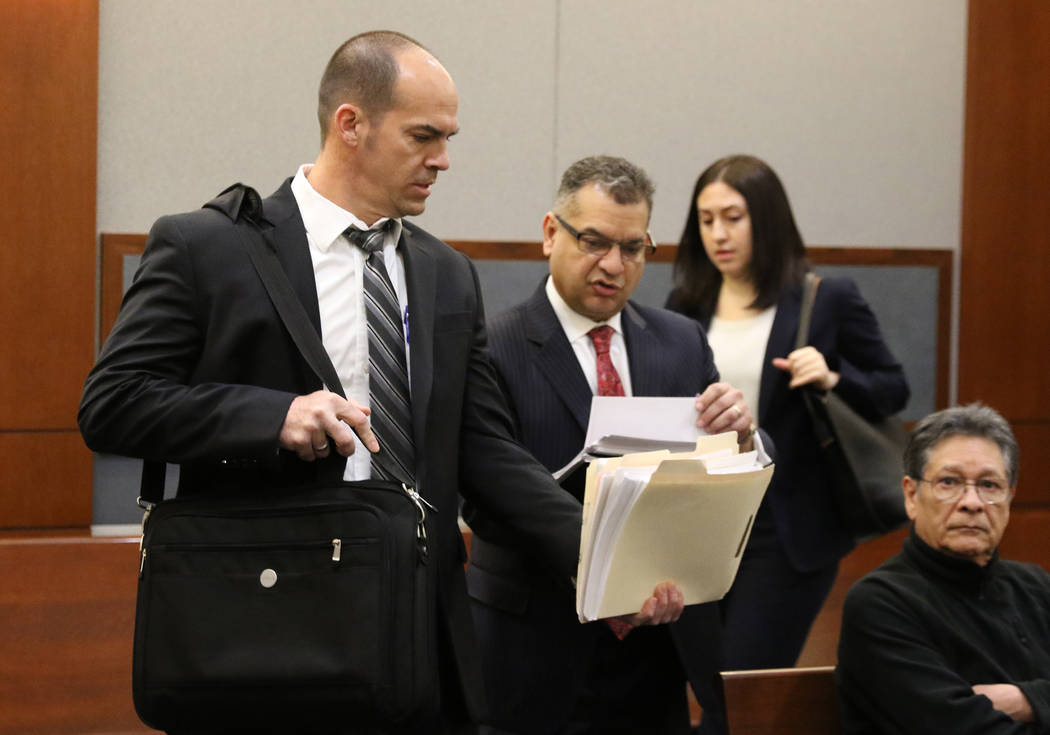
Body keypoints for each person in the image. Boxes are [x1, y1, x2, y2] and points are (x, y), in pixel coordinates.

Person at [78, 32, 682, 734]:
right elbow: (113, 403)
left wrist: (605, 557)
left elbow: (485, 450)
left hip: (414, 633)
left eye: (449, 137)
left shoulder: (443, 273)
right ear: (351, 124)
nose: (443, 159)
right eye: (424, 135)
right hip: (266, 621)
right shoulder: (208, 247)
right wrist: (271, 417)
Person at [463, 155, 764, 735]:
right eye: (595, 242)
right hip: (536, 646)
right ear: (551, 233)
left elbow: (720, 478)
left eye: (634, 248)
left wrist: (743, 437)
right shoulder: (493, 347)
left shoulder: (679, 341)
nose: (614, 265)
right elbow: (488, 495)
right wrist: (604, 565)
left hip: (659, 644)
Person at [665, 154, 910, 669]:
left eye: (733, 217)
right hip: (704, 521)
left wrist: (833, 377)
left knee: (745, 683)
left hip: (788, 527)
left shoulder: (826, 299)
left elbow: (894, 389)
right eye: (706, 220)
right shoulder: (687, 304)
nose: (718, 234)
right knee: (703, 684)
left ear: (767, 218)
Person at [837, 403, 1050, 734]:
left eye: (989, 485)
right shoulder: (880, 604)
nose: (972, 502)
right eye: (949, 482)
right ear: (911, 495)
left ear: (1009, 499)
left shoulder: (1037, 587)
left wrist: (1026, 699)